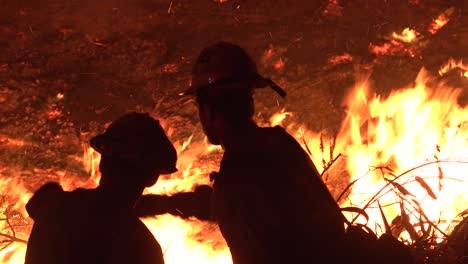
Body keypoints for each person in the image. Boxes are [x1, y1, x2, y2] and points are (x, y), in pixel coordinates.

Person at [136, 41, 348, 263]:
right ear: (249, 103)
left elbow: (238, 205)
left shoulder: (235, 183)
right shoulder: (280, 144)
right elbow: (251, 202)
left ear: (207, 111)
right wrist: (162, 204)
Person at [24, 112, 177, 264]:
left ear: (103, 163)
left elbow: (34, 205)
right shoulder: (143, 248)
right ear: (152, 178)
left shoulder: (54, 206)